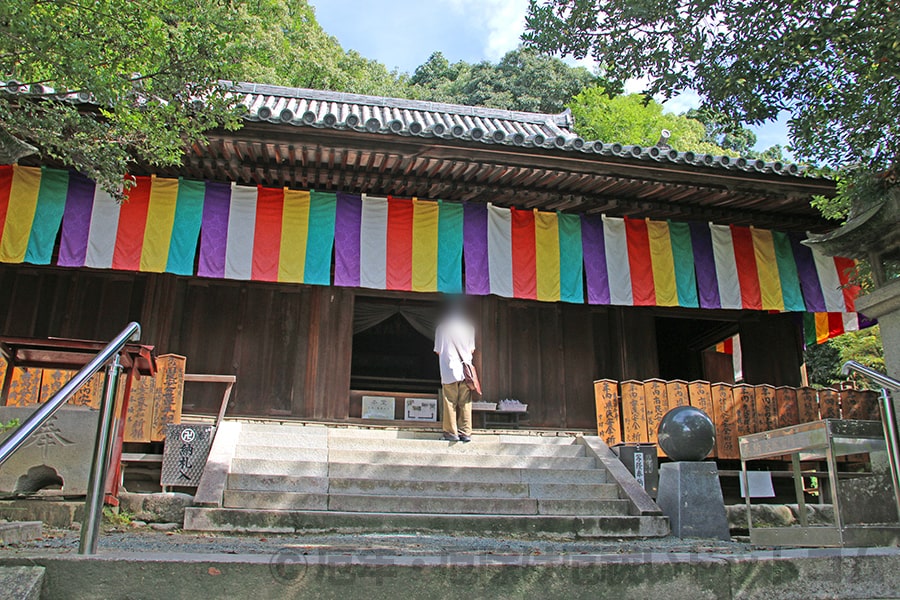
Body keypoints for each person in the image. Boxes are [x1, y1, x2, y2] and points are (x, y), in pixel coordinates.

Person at [434, 300, 476, 442]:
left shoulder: (442, 328)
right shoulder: (469, 328)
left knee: (449, 401)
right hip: (466, 371)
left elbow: (438, 351)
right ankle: (465, 432)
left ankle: (451, 433)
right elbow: (472, 350)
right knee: (465, 402)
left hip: (449, 369)